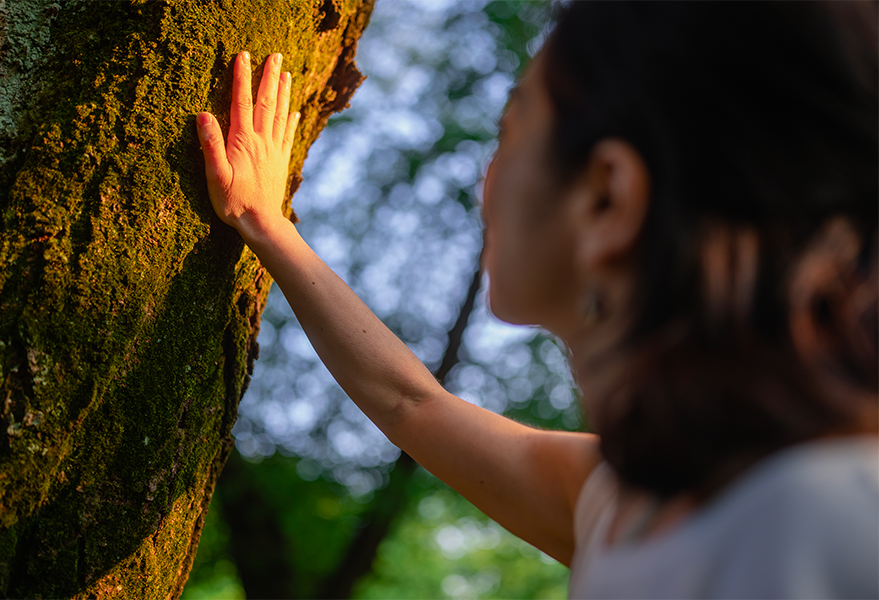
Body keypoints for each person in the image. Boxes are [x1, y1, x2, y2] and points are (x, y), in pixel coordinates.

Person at [195, 0, 879, 597]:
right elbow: (413, 405)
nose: (483, 184)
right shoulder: (623, 503)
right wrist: (267, 225)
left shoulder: (829, 519)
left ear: (608, 198)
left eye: (512, 130)